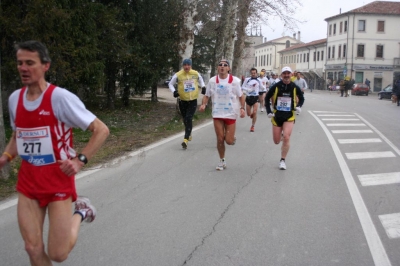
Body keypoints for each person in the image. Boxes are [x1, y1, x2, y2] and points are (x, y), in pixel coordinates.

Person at [0, 40, 110, 265]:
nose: (23, 68)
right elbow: (18, 135)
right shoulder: (14, 99)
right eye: (20, 63)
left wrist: (79, 161)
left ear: (45, 66)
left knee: (58, 254)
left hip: (57, 180)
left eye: (30, 63)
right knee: (32, 248)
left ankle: (81, 211)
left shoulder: (60, 98)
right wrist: (5, 157)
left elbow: (101, 130)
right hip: (28, 182)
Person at [199, 59, 245, 170]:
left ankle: (232, 138)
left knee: (228, 141)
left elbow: (241, 95)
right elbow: (207, 95)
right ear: (217, 68)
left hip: (230, 113)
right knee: (220, 139)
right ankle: (222, 161)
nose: (222, 67)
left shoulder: (235, 81)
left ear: (228, 68)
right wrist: (204, 104)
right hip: (217, 113)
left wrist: (242, 108)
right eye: (220, 65)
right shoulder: (212, 81)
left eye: (225, 65)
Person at [265, 66, 304, 170]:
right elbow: (267, 98)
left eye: (288, 73)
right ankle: (281, 135)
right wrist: (269, 111)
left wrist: (299, 106)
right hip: (277, 116)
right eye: (284, 73)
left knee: (286, 137)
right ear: (281, 75)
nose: (286, 75)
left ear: (291, 75)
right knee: (277, 141)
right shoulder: (276, 86)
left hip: (289, 116)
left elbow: (302, 97)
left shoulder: (294, 87)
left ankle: (282, 160)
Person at [168, 58, 206, 149]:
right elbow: (170, 84)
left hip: (193, 100)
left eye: (188, 65)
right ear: (183, 66)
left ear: (191, 66)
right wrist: (174, 91)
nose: (186, 67)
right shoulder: (178, 75)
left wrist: (203, 86)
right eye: (185, 65)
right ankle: (189, 133)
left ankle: (185, 139)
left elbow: (201, 80)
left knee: (189, 117)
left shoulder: (195, 73)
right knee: (185, 119)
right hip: (182, 101)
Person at [242, 68, 265, 132]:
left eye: (254, 73)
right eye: (252, 73)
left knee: (254, 112)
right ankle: (251, 115)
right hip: (249, 97)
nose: (253, 74)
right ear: (250, 73)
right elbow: (242, 87)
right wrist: (247, 89)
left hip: (255, 97)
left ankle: (253, 126)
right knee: (249, 114)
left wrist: (263, 87)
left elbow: (262, 87)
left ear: (256, 73)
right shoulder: (247, 79)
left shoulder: (259, 80)